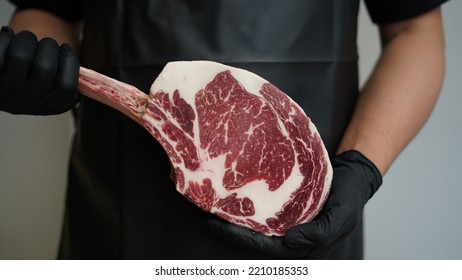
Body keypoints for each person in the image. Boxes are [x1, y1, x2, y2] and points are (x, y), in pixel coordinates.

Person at [0, 0, 447, 259]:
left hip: (307, 212)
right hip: (119, 211)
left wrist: (362, 164)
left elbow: (414, 28)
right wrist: (33, 65)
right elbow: (45, 8)